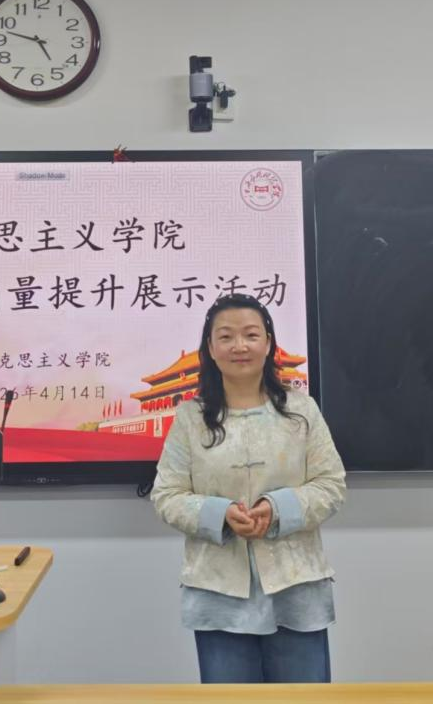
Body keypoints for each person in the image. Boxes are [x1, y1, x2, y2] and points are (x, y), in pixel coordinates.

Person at [151, 293, 346, 684]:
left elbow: (331, 485)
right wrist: (220, 514)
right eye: (226, 337)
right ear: (210, 348)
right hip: (219, 591)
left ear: (268, 343)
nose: (239, 346)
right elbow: (167, 495)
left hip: (296, 586)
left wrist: (277, 509)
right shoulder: (190, 418)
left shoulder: (302, 410)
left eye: (251, 335)